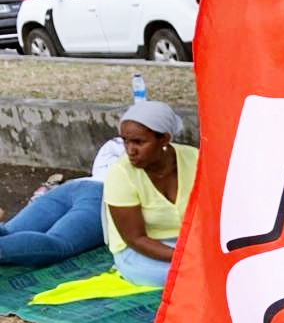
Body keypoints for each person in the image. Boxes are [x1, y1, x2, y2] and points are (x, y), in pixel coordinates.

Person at [104, 101, 198, 287]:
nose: (130, 150)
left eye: (139, 142)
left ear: (163, 139)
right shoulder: (121, 173)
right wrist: (187, 258)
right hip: (139, 252)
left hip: (188, 242)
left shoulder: (195, 159)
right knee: (193, 277)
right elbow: (135, 239)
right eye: (125, 141)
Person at [0, 139, 125, 267]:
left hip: (73, 185)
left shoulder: (117, 143)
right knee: (58, 243)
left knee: (9, 231)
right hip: (103, 194)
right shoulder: (138, 150)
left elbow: (100, 168)